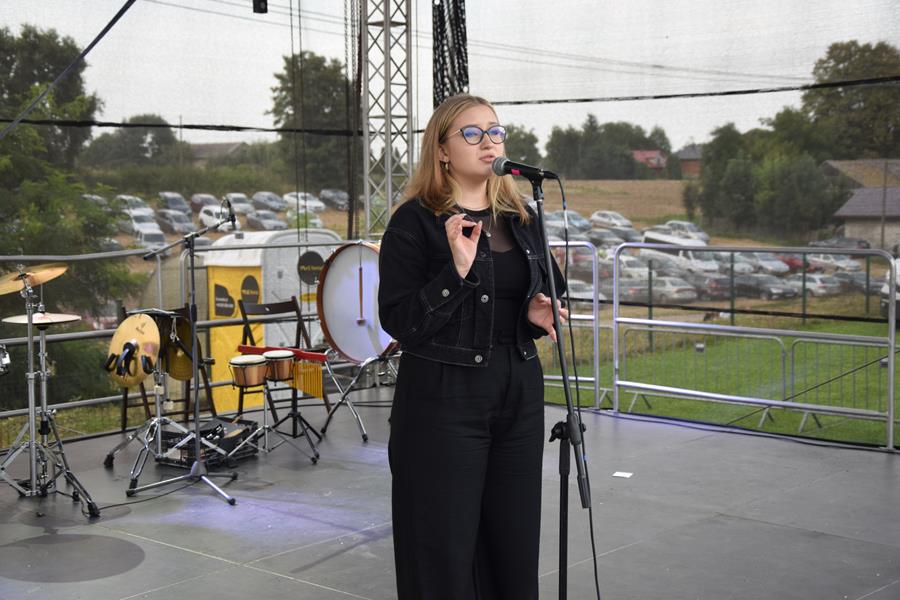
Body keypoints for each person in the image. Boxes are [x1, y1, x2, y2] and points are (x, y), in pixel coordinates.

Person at [378, 93, 568, 599]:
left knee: (513, 540)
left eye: (496, 131)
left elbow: (549, 289)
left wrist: (535, 311)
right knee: (441, 545)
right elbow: (399, 321)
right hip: (443, 396)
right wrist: (455, 273)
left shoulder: (521, 216)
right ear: (442, 150)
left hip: (518, 389)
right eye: (472, 133)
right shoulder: (414, 221)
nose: (489, 142)